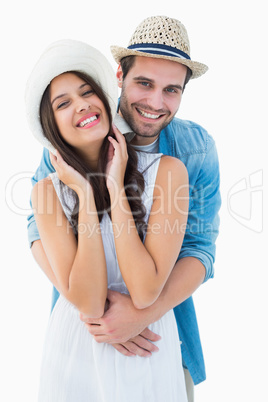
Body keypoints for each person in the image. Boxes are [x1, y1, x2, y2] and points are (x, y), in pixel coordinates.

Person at [27, 16, 221, 401]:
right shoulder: (77, 132)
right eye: (144, 83)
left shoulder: (192, 152)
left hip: (157, 334)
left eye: (171, 90)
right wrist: (92, 307)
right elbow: (38, 227)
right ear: (119, 75)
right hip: (82, 331)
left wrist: (140, 315)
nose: (155, 103)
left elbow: (199, 249)